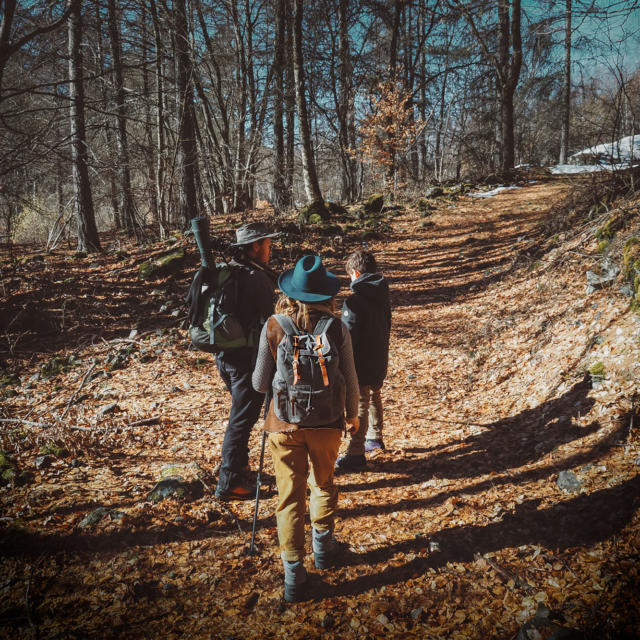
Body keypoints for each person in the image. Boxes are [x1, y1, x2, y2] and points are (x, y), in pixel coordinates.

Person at [252, 254, 359, 602]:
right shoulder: (337, 327)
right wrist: (353, 415)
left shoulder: (274, 325)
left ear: (291, 292)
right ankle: (324, 550)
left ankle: (294, 576)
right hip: (328, 423)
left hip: (284, 423)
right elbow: (352, 378)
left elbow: (258, 383)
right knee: (323, 483)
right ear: (325, 295)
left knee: (289, 497)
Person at [214, 222, 279, 501]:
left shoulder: (232, 273)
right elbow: (271, 321)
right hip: (246, 362)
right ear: (254, 246)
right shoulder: (255, 278)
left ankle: (239, 471)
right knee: (240, 421)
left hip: (226, 358)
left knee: (241, 417)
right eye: (267, 243)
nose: (270, 248)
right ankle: (229, 483)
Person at [335, 250, 391, 472]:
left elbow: (347, 336)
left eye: (350, 276)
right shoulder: (382, 295)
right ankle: (375, 437)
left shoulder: (355, 301)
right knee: (373, 395)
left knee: (360, 403)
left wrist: (341, 364)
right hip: (378, 358)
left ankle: (356, 452)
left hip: (360, 362)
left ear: (355, 273)